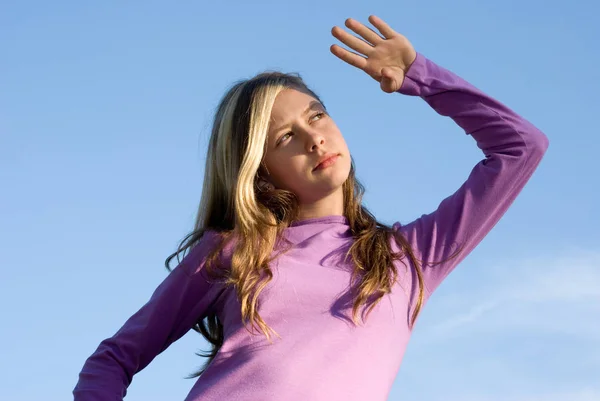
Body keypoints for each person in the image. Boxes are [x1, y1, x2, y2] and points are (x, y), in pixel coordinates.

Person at [73, 15, 549, 401]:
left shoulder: (410, 257)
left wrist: (423, 78)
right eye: (285, 137)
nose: (313, 137)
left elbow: (521, 147)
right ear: (260, 172)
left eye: (316, 115)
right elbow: (113, 359)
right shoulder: (235, 251)